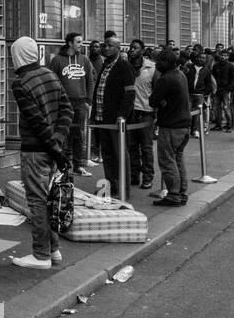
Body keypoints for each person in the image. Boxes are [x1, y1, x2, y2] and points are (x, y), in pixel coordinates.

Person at [9, 36, 72, 270]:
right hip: (54, 150)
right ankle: (53, 249)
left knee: (37, 202)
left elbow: (35, 120)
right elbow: (67, 109)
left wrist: (52, 146)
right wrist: (57, 143)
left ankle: (41, 254)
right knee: (50, 202)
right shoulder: (50, 74)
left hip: (35, 151)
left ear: (17, 55)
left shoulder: (20, 82)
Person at [91, 37, 136, 199]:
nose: (106, 48)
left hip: (116, 119)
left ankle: (124, 188)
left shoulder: (124, 66)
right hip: (102, 117)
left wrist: (122, 115)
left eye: (110, 46)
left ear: (118, 48)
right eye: (105, 45)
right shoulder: (105, 65)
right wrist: (94, 114)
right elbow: (99, 90)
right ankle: (111, 185)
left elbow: (130, 93)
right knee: (108, 153)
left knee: (120, 154)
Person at [48, 32, 94, 176]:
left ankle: (78, 165)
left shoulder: (85, 60)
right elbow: (51, 81)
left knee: (78, 134)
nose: (82, 44)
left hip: (80, 102)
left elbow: (90, 81)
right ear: (70, 43)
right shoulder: (57, 60)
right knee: (62, 134)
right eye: (79, 42)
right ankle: (62, 166)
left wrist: (88, 100)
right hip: (63, 102)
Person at [150, 48, 191, 207]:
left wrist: (161, 101)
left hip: (171, 126)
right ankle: (181, 192)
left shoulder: (166, 78)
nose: (157, 64)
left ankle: (173, 194)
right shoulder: (180, 75)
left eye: (159, 61)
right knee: (177, 159)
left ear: (166, 62)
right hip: (184, 124)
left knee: (167, 160)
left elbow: (153, 101)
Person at [129, 44, 157, 190]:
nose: (132, 50)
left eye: (135, 48)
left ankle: (147, 177)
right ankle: (134, 175)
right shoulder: (126, 66)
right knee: (131, 146)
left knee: (146, 147)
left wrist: (156, 113)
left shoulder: (151, 67)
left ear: (142, 50)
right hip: (130, 112)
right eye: (131, 48)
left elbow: (158, 90)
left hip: (146, 112)